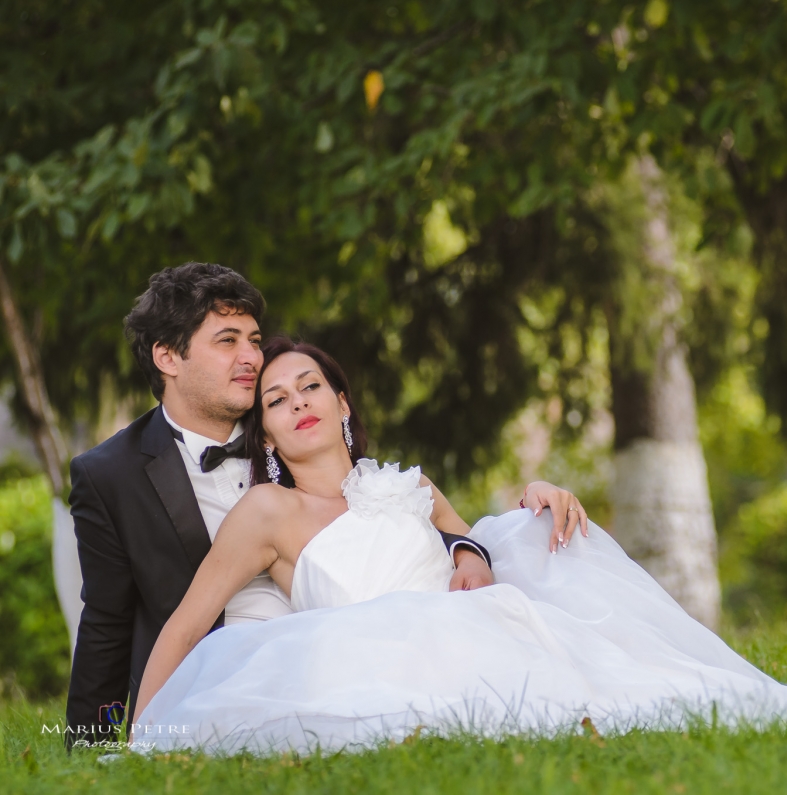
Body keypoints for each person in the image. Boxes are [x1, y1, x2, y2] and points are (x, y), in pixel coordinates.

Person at [129, 336, 787, 754]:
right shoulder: (267, 509)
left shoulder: (408, 482)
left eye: (310, 388)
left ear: (342, 404)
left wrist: (514, 515)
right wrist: (138, 729)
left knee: (626, 686)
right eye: (276, 397)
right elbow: (188, 620)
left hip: (476, 628)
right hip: (371, 658)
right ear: (263, 427)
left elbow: (473, 542)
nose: (295, 403)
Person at [65, 263, 585, 749]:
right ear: (168, 357)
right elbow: (108, 624)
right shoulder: (110, 474)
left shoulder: (296, 423)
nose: (251, 357)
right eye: (228, 342)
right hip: (230, 682)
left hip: (373, 651)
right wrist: (99, 744)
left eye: (252, 339)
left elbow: (396, 521)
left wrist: (475, 547)